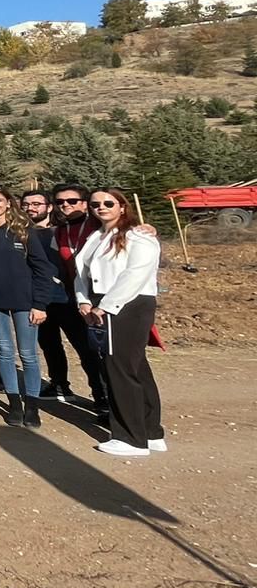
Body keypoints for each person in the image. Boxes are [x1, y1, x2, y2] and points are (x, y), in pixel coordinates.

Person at [75, 189, 166, 457]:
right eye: (95, 204)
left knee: (119, 368)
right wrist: (83, 300)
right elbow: (83, 273)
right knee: (134, 366)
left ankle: (130, 437)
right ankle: (150, 432)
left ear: (122, 206)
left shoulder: (139, 236)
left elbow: (136, 273)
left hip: (127, 303)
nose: (101, 207)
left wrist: (106, 306)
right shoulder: (96, 236)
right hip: (101, 301)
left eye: (108, 203)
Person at [0, 186, 58, 428]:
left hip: (25, 302)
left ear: (9, 203)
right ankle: (14, 404)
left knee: (28, 354)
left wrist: (40, 304)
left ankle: (32, 406)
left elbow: (42, 269)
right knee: (3, 350)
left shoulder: (23, 231)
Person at [36, 183, 109, 417]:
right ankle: (65, 385)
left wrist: (147, 228)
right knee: (55, 344)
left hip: (97, 298)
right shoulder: (60, 231)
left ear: (85, 204)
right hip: (72, 295)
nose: (65, 205)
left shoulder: (97, 227)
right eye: (60, 202)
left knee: (88, 349)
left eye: (72, 201)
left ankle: (103, 397)